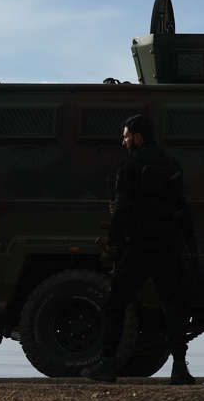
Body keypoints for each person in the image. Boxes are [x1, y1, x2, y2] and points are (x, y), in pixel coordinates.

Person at [83, 114, 196, 385]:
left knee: (115, 302)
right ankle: (179, 368)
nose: (123, 142)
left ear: (138, 137)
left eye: (125, 136)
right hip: (168, 247)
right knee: (173, 307)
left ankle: (108, 364)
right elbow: (181, 205)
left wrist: (112, 243)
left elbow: (121, 210)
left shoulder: (131, 167)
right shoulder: (172, 163)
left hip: (140, 247)